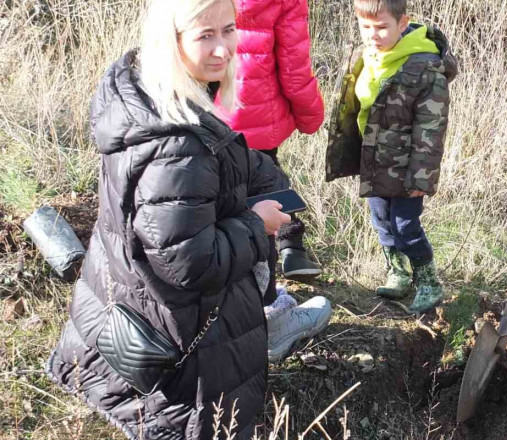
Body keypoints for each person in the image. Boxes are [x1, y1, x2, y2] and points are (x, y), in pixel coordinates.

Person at [46, 0, 329, 438]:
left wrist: (259, 173)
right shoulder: (177, 145)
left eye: (229, 29)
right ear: (171, 40)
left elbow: (205, 173)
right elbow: (189, 263)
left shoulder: (148, 92)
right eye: (205, 35)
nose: (224, 49)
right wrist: (258, 225)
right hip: (179, 342)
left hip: (132, 302)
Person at [325, 0, 457, 313]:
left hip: (407, 166)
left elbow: (431, 129)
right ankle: (397, 272)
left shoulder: (424, 66)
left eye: (382, 26)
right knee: (382, 220)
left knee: (406, 225)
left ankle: (428, 281)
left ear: (402, 23)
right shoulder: (365, 57)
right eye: (366, 26)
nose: (373, 34)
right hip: (374, 161)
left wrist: (421, 177)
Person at [217, 0, 325, 281]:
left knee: (221, 193)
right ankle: (289, 251)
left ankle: (243, 265)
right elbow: (295, 69)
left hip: (213, 113)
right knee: (269, 182)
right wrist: (310, 117)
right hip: (260, 116)